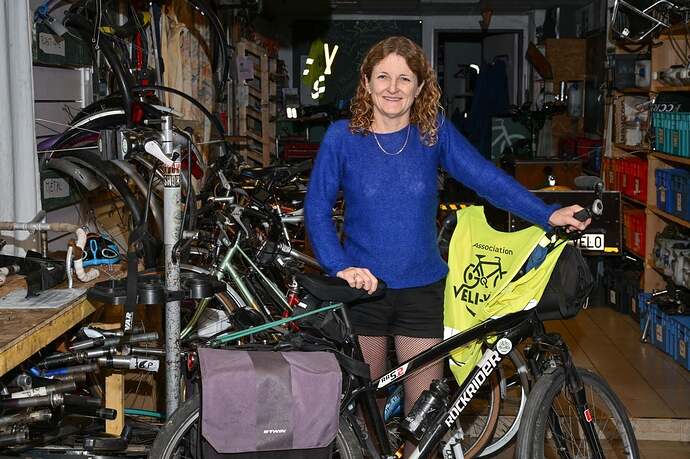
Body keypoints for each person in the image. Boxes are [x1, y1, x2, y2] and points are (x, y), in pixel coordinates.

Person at [304, 36, 589, 454]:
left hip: (422, 291)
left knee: (425, 417)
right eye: (383, 77)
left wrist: (547, 214)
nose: (393, 88)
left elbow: (486, 178)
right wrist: (339, 265)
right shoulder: (341, 138)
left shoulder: (432, 132)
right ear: (366, 82)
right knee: (366, 414)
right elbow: (316, 209)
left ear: (420, 86)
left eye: (405, 78)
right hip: (362, 293)